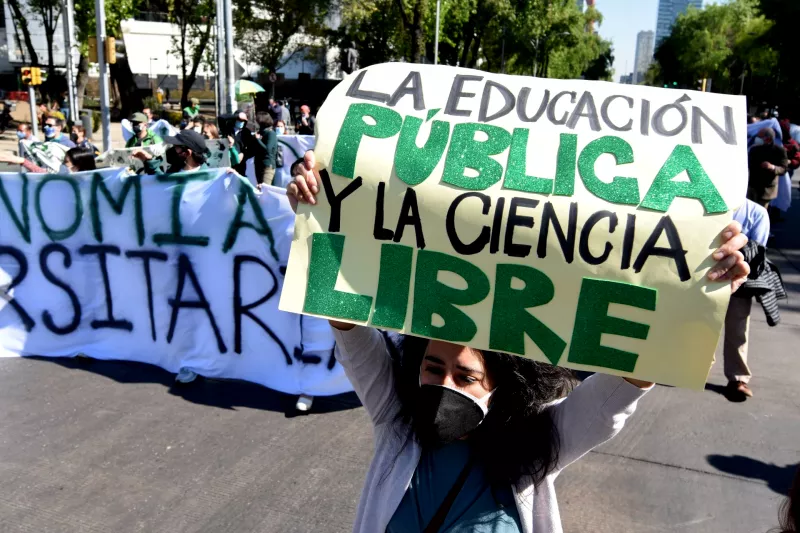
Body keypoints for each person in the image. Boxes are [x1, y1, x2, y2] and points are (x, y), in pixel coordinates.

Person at [287, 151, 749, 533]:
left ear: (498, 386)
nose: (444, 383)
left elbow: (623, 386)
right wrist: (322, 208)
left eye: (466, 376)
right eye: (433, 368)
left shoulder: (539, 447)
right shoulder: (397, 424)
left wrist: (696, 292)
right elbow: (348, 324)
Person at [133, 129, 209, 180]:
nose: (172, 148)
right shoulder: (175, 169)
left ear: (187, 153)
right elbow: (162, 183)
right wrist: (148, 160)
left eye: (176, 147)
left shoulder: (206, 178)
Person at [748, 128, 789, 208]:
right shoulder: (754, 149)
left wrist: (772, 167)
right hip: (752, 186)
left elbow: (783, 169)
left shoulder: (779, 151)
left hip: (766, 189)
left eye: (760, 136)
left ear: (768, 138)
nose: (757, 138)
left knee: (761, 212)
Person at [0, 146, 96, 173]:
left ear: (78, 165)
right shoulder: (61, 174)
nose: (62, 165)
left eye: (66, 162)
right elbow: (41, 172)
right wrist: (23, 161)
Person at [254, 111, 277, 188]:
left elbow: (268, 149)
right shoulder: (260, 132)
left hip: (267, 165)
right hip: (258, 164)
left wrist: (258, 140)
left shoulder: (271, 133)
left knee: (265, 188)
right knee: (259, 187)